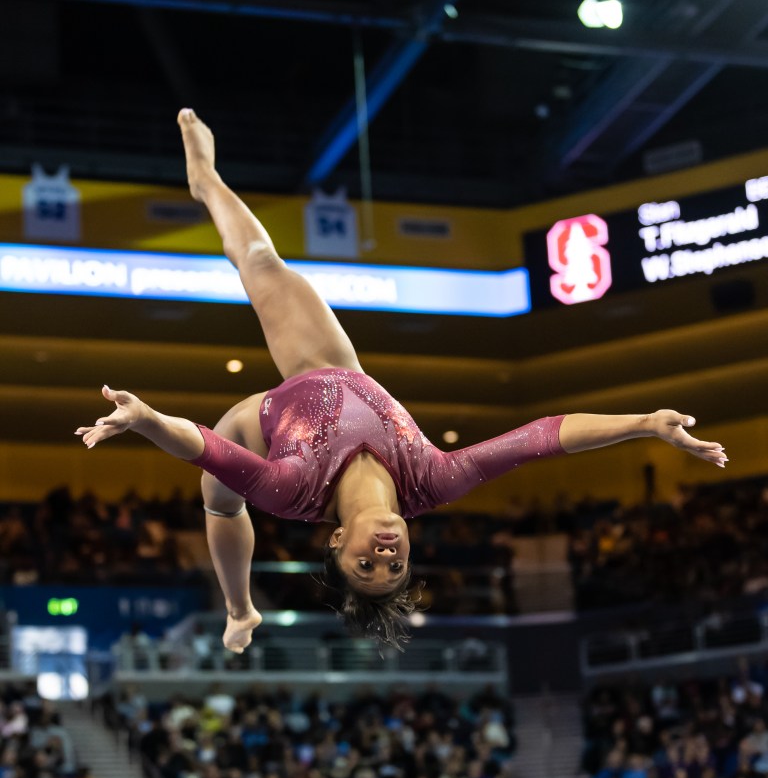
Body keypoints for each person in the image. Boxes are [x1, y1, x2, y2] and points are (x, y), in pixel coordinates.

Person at [76, 109, 730, 652]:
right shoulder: (432, 478)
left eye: (367, 565)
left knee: (219, 497)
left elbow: (201, 443)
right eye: (395, 566)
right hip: (334, 367)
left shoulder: (291, 489)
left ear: (336, 543)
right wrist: (644, 423)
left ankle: (239, 604)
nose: (385, 554)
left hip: (259, 418)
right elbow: (543, 436)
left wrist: (146, 418)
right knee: (259, 258)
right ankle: (208, 181)